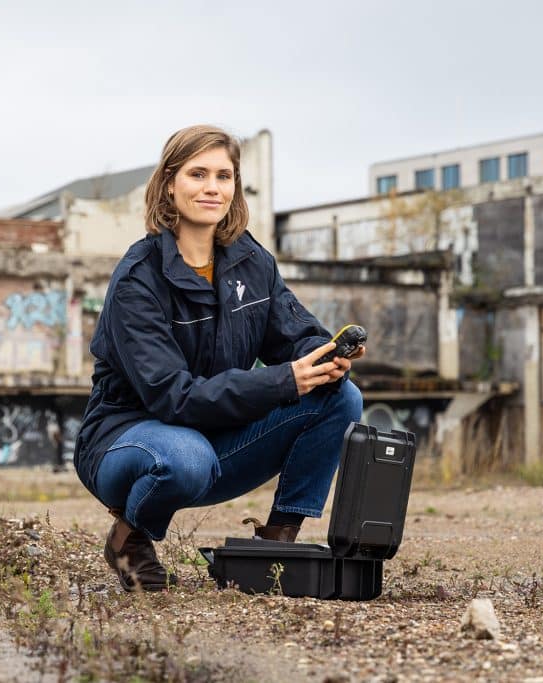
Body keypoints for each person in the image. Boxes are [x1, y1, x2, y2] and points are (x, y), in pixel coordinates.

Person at [73, 125, 365, 592]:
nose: (212, 188)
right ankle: (130, 536)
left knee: (340, 397)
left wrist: (325, 355)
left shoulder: (252, 261)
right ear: (169, 183)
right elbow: (174, 398)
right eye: (197, 174)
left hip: (216, 442)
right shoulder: (137, 279)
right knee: (186, 459)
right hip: (128, 441)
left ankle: (277, 543)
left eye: (224, 176)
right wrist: (284, 381)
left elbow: (293, 334)